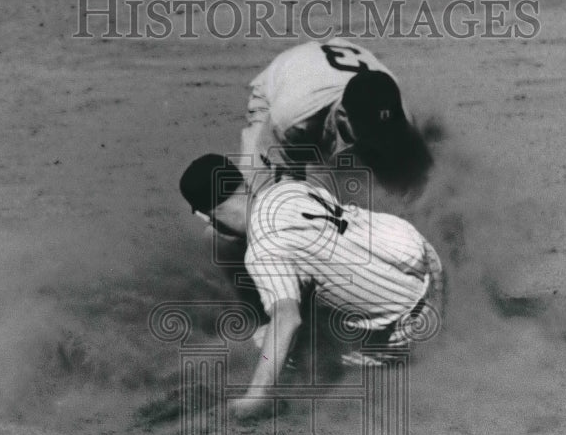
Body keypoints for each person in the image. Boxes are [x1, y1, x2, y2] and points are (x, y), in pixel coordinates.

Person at [179, 153, 444, 419]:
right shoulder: (288, 190)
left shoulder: (264, 251)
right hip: (430, 266)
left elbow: (287, 319)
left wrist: (256, 396)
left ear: (208, 216)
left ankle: (281, 392)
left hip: (416, 329)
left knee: (267, 338)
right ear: (243, 182)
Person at [239, 38, 434, 195]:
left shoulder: (400, 110)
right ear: (342, 116)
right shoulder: (291, 117)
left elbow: (416, 176)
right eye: (369, 132)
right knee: (258, 190)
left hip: (336, 70)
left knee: (398, 172)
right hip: (284, 80)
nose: (379, 138)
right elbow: (282, 180)